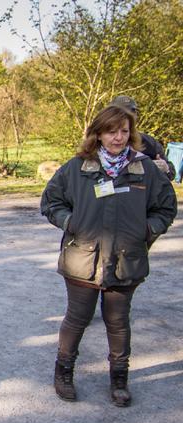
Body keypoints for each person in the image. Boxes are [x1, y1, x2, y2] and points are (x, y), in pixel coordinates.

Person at [41, 105, 177, 407]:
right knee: (77, 319)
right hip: (83, 260)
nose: (118, 137)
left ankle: (119, 379)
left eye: (124, 131)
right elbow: (51, 202)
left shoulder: (145, 169)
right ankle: (63, 373)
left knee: (118, 322)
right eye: (111, 131)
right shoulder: (77, 168)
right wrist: (71, 222)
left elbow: (166, 208)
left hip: (126, 259)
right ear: (98, 134)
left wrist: (147, 229)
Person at [109, 96, 175, 180]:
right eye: (122, 112)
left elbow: (170, 173)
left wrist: (166, 168)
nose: (128, 116)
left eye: (132, 112)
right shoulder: (102, 140)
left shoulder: (149, 142)